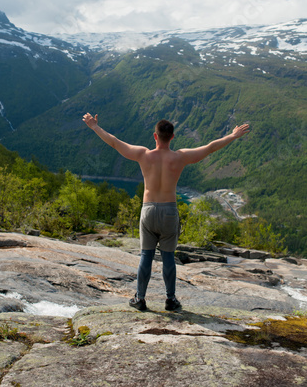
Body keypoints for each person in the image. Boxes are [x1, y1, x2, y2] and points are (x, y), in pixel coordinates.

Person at [82, 113, 249, 311]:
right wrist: (233, 135)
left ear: (155, 136)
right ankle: (170, 299)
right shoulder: (181, 157)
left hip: (149, 210)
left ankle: (140, 298)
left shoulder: (143, 155)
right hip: (170, 211)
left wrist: (94, 127)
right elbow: (211, 147)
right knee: (168, 256)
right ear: (172, 137)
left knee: (146, 256)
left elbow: (115, 143)